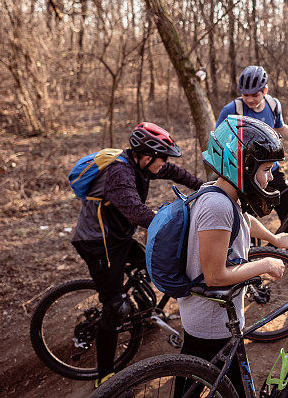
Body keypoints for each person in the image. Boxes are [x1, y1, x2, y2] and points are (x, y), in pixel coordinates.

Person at [71, 122, 205, 387]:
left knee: (149, 264)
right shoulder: (119, 173)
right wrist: (176, 223)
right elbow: (137, 213)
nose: (164, 163)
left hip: (117, 237)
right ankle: (106, 377)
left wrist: (203, 188)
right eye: (161, 158)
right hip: (98, 243)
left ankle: (143, 317)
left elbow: (173, 171)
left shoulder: (140, 164)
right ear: (146, 157)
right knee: (115, 306)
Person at [177, 115, 288, 397]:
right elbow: (215, 275)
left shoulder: (221, 192)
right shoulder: (217, 205)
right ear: (240, 165)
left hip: (213, 315)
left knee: (192, 383)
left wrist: (275, 239)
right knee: (225, 388)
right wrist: (263, 265)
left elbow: (243, 220)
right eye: (266, 169)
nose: (269, 177)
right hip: (212, 322)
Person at [217, 66, 288, 256]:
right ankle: (245, 255)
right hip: (244, 174)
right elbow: (220, 140)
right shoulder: (232, 110)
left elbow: (280, 128)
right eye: (245, 95)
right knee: (245, 216)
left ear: (265, 90)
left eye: (254, 94)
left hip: (271, 170)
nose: (249, 99)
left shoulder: (273, 105)